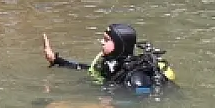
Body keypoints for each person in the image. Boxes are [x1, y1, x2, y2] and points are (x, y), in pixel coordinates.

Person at [41, 25, 176, 95]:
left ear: (120, 44)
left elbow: (140, 99)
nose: (102, 42)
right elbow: (87, 69)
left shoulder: (137, 78)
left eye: (106, 40)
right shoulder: (111, 64)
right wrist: (57, 60)